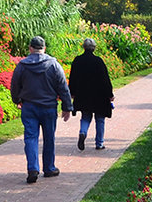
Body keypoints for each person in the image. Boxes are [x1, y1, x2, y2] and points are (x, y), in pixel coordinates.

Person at [10, 35, 73, 184]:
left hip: (29, 107)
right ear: (44, 48)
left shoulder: (22, 65)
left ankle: (33, 168)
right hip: (48, 107)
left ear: (30, 48)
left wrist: (17, 100)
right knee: (49, 138)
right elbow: (63, 87)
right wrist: (67, 107)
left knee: (30, 138)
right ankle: (49, 168)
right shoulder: (53, 64)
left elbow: (14, 85)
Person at [69, 38, 114, 151]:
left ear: (84, 47)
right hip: (99, 95)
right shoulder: (98, 61)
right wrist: (110, 94)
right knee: (100, 119)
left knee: (85, 116)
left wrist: (72, 93)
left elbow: (73, 78)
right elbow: (105, 79)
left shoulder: (77, 60)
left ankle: (83, 132)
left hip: (83, 95)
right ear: (94, 48)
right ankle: (99, 143)